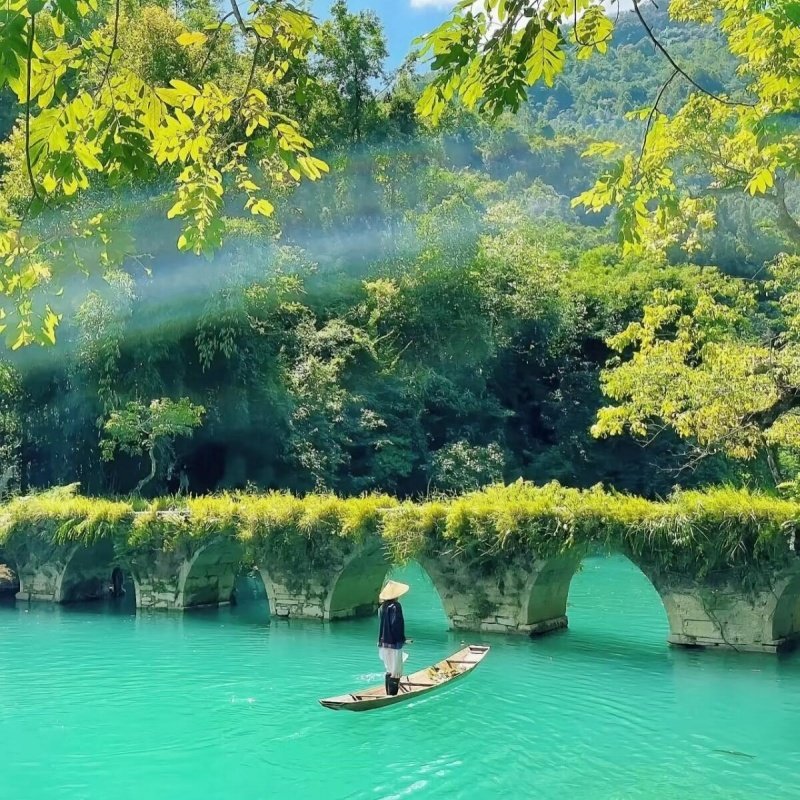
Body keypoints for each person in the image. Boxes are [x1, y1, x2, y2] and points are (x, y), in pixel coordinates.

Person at [377, 580, 409, 696]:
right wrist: (402, 639)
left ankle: (388, 694)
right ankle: (392, 697)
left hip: (383, 642)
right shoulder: (396, 606)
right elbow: (396, 625)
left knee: (389, 669)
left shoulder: (382, 607)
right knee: (396, 671)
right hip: (394, 643)